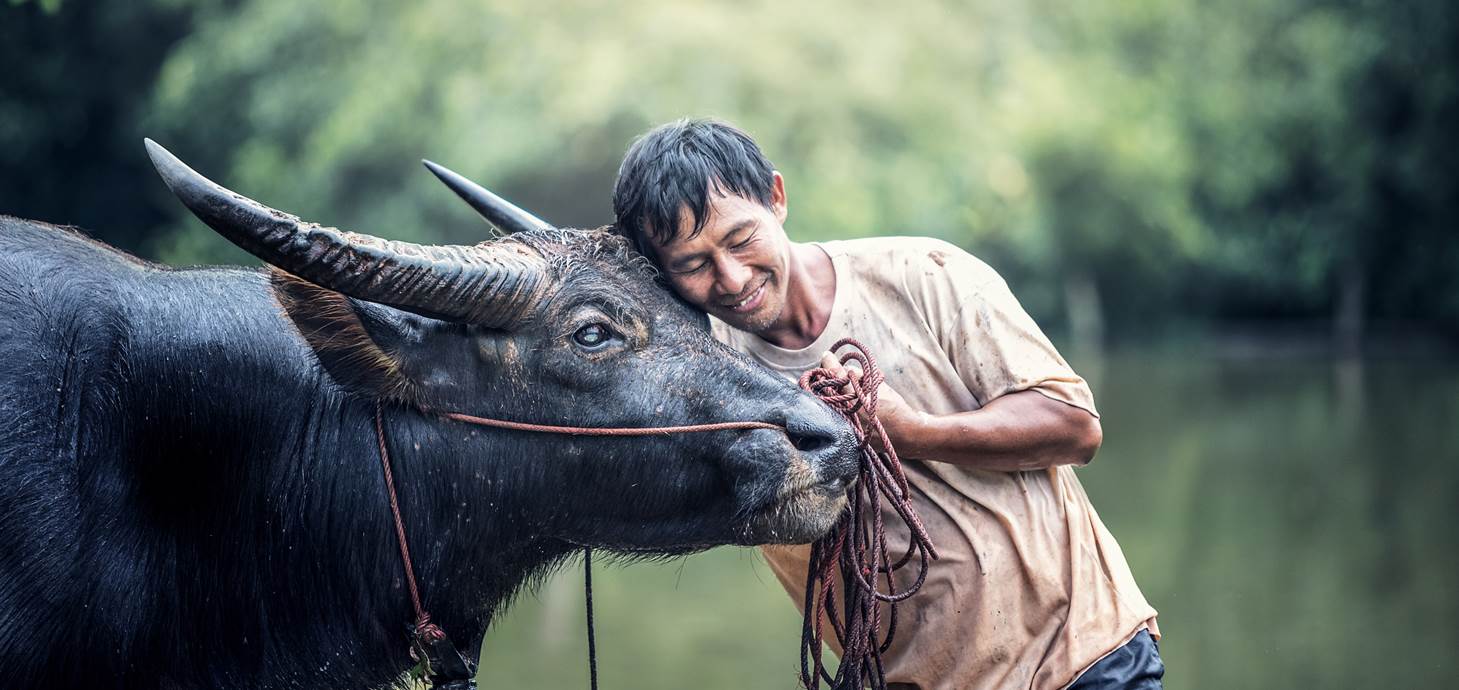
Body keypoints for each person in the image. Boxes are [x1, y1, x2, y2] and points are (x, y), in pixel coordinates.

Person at [610, 118, 1163, 690]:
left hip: (1077, 656)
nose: (731, 277)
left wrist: (912, 433)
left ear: (777, 198)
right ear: (663, 275)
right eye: (693, 265)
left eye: (739, 239)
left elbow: (1075, 428)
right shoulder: (699, 378)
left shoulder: (925, 276)